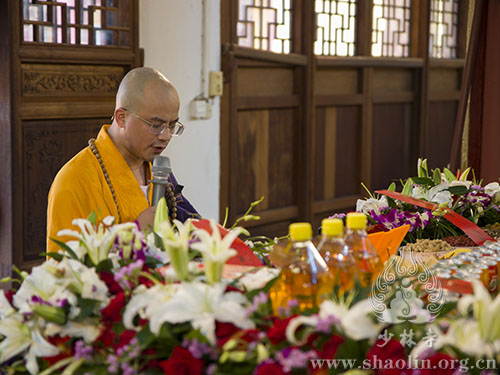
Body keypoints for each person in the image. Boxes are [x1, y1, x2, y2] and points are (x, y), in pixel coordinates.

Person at [46, 67, 200, 252]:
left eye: (172, 125)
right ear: (121, 117)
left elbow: (189, 223)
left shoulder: (158, 171)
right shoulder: (75, 180)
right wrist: (135, 235)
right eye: (156, 125)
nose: (165, 136)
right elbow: (67, 271)